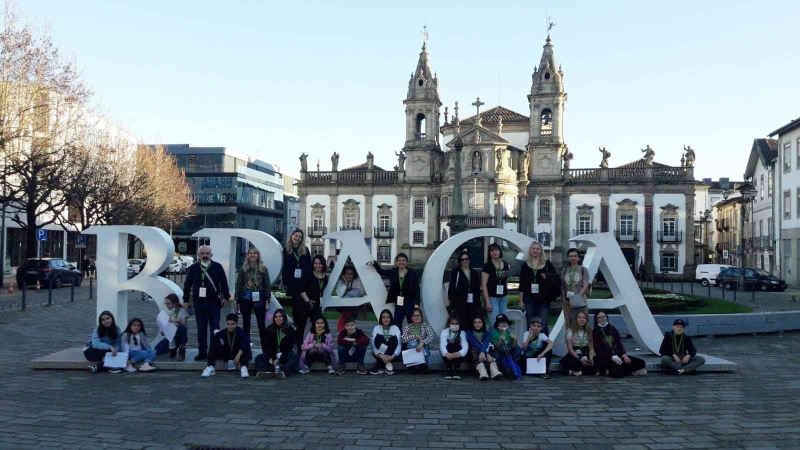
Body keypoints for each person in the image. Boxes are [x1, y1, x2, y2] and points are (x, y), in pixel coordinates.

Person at [182, 245, 231, 361]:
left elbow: (224, 283)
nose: (205, 255)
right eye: (202, 253)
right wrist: (185, 300)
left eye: (207, 253)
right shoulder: (193, 268)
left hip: (214, 303)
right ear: (198, 255)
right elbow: (187, 285)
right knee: (201, 329)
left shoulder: (217, 267)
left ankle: (214, 352)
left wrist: (226, 297)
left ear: (211, 255)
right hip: (199, 303)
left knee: (215, 328)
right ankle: (202, 352)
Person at [282, 229, 313, 354]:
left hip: (303, 284)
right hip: (293, 284)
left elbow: (308, 267)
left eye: (300, 237)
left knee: (302, 313)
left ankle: (300, 339)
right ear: (291, 236)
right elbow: (285, 268)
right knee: (296, 311)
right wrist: (284, 282)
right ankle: (297, 340)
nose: (298, 238)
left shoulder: (305, 250)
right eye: (296, 236)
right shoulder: (286, 250)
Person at [519, 241, 559, 335]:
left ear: (541, 251)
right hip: (529, 298)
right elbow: (522, 284)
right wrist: (521, 301)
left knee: (543, 324)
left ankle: (545, 348)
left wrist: (547, 276)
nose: (535, 250)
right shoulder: (525, 265)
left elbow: (556, 278)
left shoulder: (547, 264)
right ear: (530, 250)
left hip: (544, 299)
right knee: (531, 324)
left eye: (538, 249)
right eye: (533, 248)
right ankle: (531, 348)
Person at [369, 253, 419, 328]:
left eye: (403, 260)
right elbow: (382, 272)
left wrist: (417, 302)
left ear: (406, 262)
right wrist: (374, 264)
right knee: (397, 322)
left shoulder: (412, 273)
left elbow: (417, 288)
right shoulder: (393, 271)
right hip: (399, 301)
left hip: (409, 301)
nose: (401, 262)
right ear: (396, 262)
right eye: (399, 260)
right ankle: (398, 338)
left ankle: (412, 339)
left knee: (411, 322)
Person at [234, 248, 271, 348]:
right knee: (246, 323)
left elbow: (267, 285)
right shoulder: (244, 268)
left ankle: (265, 348)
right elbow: (239, 284)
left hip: (260, 298)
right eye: (250, 253)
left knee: (261, 324)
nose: (252, 255)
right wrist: (236, 299)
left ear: (258, 255)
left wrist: (268, 300)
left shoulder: (263, 268)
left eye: (255, 253)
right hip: (245, 298)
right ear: (248, 255)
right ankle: (246, 348)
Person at [593, 311, 647, 378]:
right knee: (617, 374)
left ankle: (613, 370)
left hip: (618, 355)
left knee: (641, 363)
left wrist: (624, 355)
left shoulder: (612, 329)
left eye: (604, 316)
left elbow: (619, 343)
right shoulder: (595, 331)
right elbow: (598, 349)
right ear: (596, 319)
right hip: (606, 358)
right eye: (599, 317)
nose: (602, 319)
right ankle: (630, 371)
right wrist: (611, 357)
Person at [201, 313, 251, 379]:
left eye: (232, 324)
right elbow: (215, 339)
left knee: (246, 344)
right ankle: (211, 366)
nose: (230, 326)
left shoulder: (240, 332)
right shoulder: (223, 332)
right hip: (227, 354)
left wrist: (238, 355)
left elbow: (246, 343)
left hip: (238, 355)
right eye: (228, 324)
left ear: (236, 324)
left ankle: (244, 367)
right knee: (213, 342)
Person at [255, 309, 299, 380]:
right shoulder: (270, 329)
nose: (278, 318)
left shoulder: (290, 329)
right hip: (272, 354)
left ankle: (282, 372)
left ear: (284, 317)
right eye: (276, 317)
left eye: (280, 316)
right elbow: (267, 345)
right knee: (259, 358)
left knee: (294, 358)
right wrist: (273, 357)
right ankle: (263, 373)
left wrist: (281, 355)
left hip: (285, 353)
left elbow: (291, 345)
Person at [297, 255, 328, 352]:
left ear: (323, 264)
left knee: (316, 328)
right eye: (316, 263)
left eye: (320, 263)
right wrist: (308, 301)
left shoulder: (325, 277)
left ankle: (312, 348)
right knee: (302, 328)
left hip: (318, 306)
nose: (318, 265)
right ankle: (300, 349)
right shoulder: (308, 274)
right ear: (313, 264)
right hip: (305, 305)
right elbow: (301, 289)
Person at [447, 250, 483, 330]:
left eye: (466, 259)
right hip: (460, 302)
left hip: (472, 301)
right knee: (461, 321)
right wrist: (452, 301)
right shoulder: (455, 272)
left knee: (472, 320)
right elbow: (452, 287)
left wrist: (478, 302)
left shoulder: (473, 272)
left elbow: (477, 288)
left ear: (469, 260)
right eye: (462, 260)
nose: (465, 261)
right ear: (460, 261)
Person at [560, 311, 598, 376]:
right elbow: (570, 349)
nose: (582, 319)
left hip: (585, 352)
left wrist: (591, 358)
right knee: (574, 362)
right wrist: (580, 359)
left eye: (584, 318)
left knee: (595, 362)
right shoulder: (570, 330)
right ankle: (579, 371)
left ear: (586, 320)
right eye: (579, 317)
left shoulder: (589, 331)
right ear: (576, 319)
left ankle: (576, 372)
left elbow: (591, 347)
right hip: (575, 353)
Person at [401, 307, 436, 374]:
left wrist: (422, 343)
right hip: (412, 349)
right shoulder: (407, 327)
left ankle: (423, 365)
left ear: (421, 317)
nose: (416, 317)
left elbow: (431, 336)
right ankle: (413, 365)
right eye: (414, 315)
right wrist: (414, 336)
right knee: (412, 342)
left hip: (423, 348)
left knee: (422, 342)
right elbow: (403, 339)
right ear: (411, 317)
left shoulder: (426, 326)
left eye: (418, 315)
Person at [561, 248, 590, 327]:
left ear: (578, 258)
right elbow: (562, 285)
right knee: (569, 324)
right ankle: (569, 339)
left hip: (580, 301)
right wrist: (564, 297)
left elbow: (585, 285)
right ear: (568, 258)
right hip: (567, 302)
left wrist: (577, 297)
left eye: (575, 256)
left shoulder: (583, 270)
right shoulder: (565, 270)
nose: (572, 258)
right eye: (570, 256)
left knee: (581, 324)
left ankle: (582, 339)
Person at [466, 316, 502, 380]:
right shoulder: (469, 333)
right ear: (472, 323)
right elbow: (475, 343)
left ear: (483, 323)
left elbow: (486, 343)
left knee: (490, 348)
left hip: (485, 352)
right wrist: (485, 353)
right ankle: (482, 371)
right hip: (475, 353)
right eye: (475, 322)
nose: (477, 324)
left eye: (479, 322)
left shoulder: (487, 333)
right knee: (474, 349)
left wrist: (485, 353)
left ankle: (494, 370)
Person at [482, 243, 510, 326]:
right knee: (494, 323)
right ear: (489, 253)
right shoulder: (487, 266)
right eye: (492, 251)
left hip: (503, 297)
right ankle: (493, 339)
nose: (494, 252)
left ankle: (502, 339)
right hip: (492, 298)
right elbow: (484, 285)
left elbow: (506, 280)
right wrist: (487, 301)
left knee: (503, 322)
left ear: (500, 251)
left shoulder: (505, 264)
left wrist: (506, 293)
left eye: (496, 250)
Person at [155, 294, 188, 361]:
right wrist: (163, 330)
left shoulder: (183, 310)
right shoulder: (172, 311)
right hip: (171, 337)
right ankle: (173, 348)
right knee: (157, 350)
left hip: (179, 336)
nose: (167, 305)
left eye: (168, 304)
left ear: (175, 303)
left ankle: (181, 349)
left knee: (182, 328)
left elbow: (184, 324)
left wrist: (176, 320)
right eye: (166, 304)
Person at [333, 264, 366, 332]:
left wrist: (349, 293)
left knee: (354, 293)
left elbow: (361, 292)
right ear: (343, 274)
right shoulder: (340, 281)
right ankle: (345, 332)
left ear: (354, 275)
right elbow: (339, 295)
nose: (349, 276)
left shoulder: (357, 281)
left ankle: (347, 332)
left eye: (351, 274)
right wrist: (345, 283)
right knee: (346, 317)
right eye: (347, 273)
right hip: (344, 307)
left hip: (354, 305)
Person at [369, 309, 401, 375]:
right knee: (378, 338)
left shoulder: (395, 328)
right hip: (379, 354)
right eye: (383, 317)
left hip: (392, 354)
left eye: (388, 317)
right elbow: (374, 344)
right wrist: (381, 355)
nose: (386, 319)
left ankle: (379, 366)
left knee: (393, 339)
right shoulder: (376, 328)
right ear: (381, 318)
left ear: (391, 318)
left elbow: (399, 345)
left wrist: (392, 356)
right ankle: (388, 367)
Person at [490, 314, 522, 380]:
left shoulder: (509, 332)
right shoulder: (494, 333)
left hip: (508, 352)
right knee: (501, 357)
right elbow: (495, 347)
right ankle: (509, 370)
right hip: (499, 351)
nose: (503, 324)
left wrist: (515, 340)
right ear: (497, 324)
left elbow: (513, 347)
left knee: (518, 349)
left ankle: (512, 365)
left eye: (505, 322)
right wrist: (500, 341)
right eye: (501, 323)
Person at [440, 315, 468, 380]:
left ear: (459, 324)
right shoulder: (445, 332)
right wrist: (446, 353)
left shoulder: (462, 333)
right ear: (449, 324)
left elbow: (465, 346)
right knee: (448, 346)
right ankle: (448, 369)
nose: (454, 325)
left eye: (456, 323)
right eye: (452, 323)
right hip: (448, 353)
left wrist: (459, 353)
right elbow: (442, 345)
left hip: (457, 354)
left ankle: (457, 369)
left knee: (457, 346)